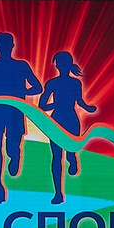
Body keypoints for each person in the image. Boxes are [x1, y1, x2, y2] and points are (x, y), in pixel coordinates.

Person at [0, 32, 41, 203]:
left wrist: (22, 92)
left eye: (7, 45)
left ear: (11, 47)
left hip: (15, 111)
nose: (4, 48)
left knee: (11, 146)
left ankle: (14, 154)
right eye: (2, 45)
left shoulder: (21, 66)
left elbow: (38, 87)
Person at [38, 49, 98, 204]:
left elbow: (79, 101)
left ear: (69, 64)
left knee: (71, 150)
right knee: (57, 156)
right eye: (59, 63)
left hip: (71, 119)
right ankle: (58, 193)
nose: (61, 66)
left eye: (64, 63)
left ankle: (72, 158)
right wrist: (55, 104)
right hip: (57, 120)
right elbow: (42, 105)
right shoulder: (52, 83)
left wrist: (88, 108)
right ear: (57, 66)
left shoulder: (75, 83)